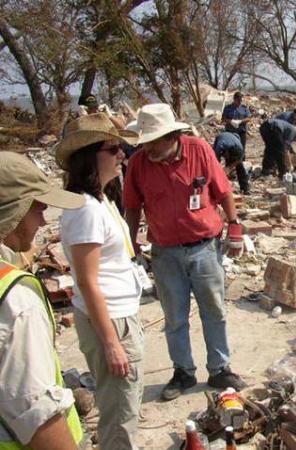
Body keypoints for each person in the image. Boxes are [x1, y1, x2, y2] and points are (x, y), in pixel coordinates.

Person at [123, 104, 246, 401]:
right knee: (174, 317)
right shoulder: (139, 163)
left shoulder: (199, 150)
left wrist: (235, 227)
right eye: (146, 141)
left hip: (204, 248)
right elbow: (131, 205)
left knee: (214, 311)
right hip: (165, 253)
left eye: (155, 140)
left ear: (172, 135)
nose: (149, 147)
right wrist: (131, 243)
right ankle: (183, 372)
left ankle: (219, 369)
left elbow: (223, 190)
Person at [56, 113, 144, 450]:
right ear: (91, 156)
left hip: (118, 315)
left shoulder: (100, 200)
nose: (122, 154)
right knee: (120, 412)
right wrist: (111, 342)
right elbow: (88, 281)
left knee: (126, 406)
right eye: (114, 149)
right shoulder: (85, 210)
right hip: (110, 321)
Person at [0, 152, 85, 450]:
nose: (44, 214)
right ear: (14, 211)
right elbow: (36, 413)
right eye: (36, 205)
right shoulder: (16, 298)